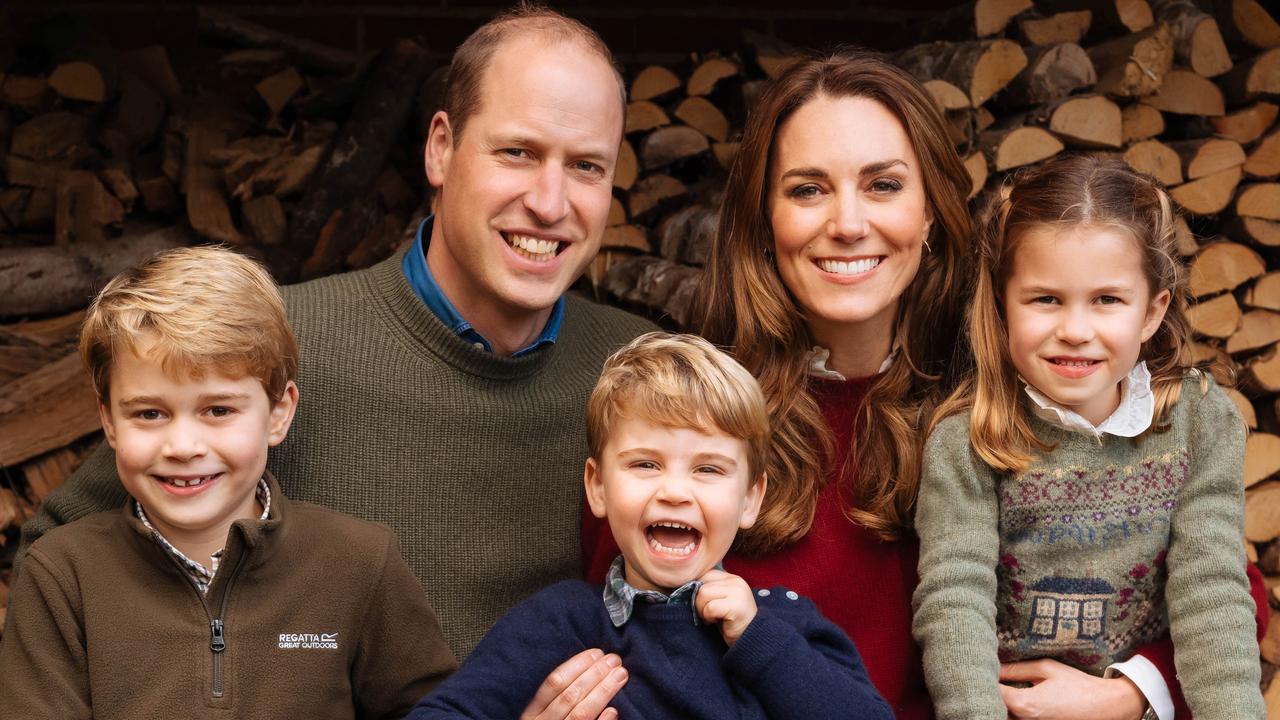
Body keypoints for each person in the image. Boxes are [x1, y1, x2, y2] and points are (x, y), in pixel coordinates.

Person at [581, 48, 1264, 719]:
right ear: (765, 220)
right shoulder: (692, 410)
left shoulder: (1012, 395)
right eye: (808, 189)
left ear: (933, 210)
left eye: (883, 185)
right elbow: (614, 620)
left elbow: (1227, 590)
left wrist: (1128, 692)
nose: (848, 224)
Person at [16, 5, 653, 692]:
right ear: (440, 147)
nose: (551, 202)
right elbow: (61, 553)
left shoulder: (644, 375)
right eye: (518, 152)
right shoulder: (275, 347)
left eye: (587, 166)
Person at [0, 247, 456, 719]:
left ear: (279, 413)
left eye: (218, 410)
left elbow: (434, 711)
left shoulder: (359, 563)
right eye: (149, 413)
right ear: (110, 422)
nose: (182, 445)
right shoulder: (61, 575)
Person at [913, 155, 1264, 720]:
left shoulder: (1198, 421)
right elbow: (955, 603)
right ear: (1002, 307)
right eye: (1045, 299)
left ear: (1152, 312)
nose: (1075, 331)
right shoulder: (970, 439)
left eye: (1107, 300)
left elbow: (1212, 592)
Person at [411, 332, 892, 720]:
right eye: (645, 464)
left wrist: (757, 639)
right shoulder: (562, 621)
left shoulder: (781, 623)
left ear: (751, 499)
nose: (675, 492)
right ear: (598, 487)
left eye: (708, 469)